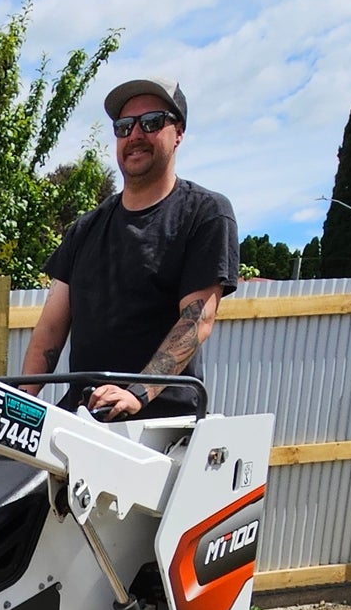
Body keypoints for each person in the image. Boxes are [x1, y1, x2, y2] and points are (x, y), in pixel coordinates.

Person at [22, 76, 239, 419]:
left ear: (178, 132)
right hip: (84, 417)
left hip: (160, 424)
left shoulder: (205, 214)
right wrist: (17, 404)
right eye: (124, 126)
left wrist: (138, 393)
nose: (135, 135)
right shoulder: (85, 229)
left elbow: (198, 319)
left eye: (151, 122)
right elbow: (49, 329)